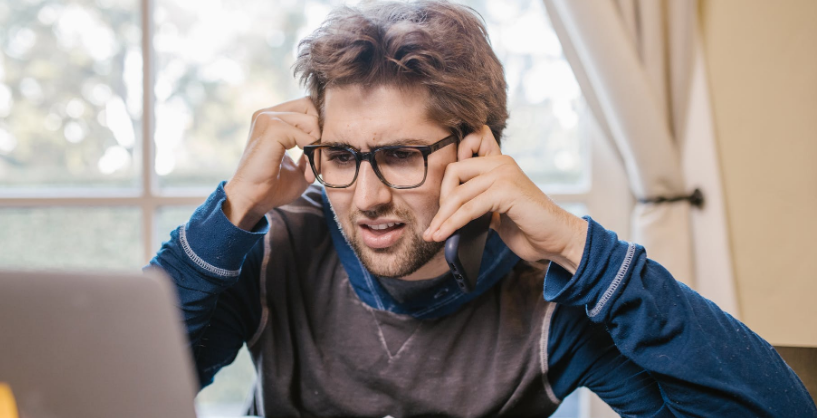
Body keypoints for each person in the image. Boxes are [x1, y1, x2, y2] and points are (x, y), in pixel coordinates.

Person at [145, 1, 817, 416]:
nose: (367, 197)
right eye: (343, 157)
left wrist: (582, 251)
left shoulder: (549, 304)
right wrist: (231, 212)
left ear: (476, 150)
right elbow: (129, 392)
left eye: (403, 154)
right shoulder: (273, 250)